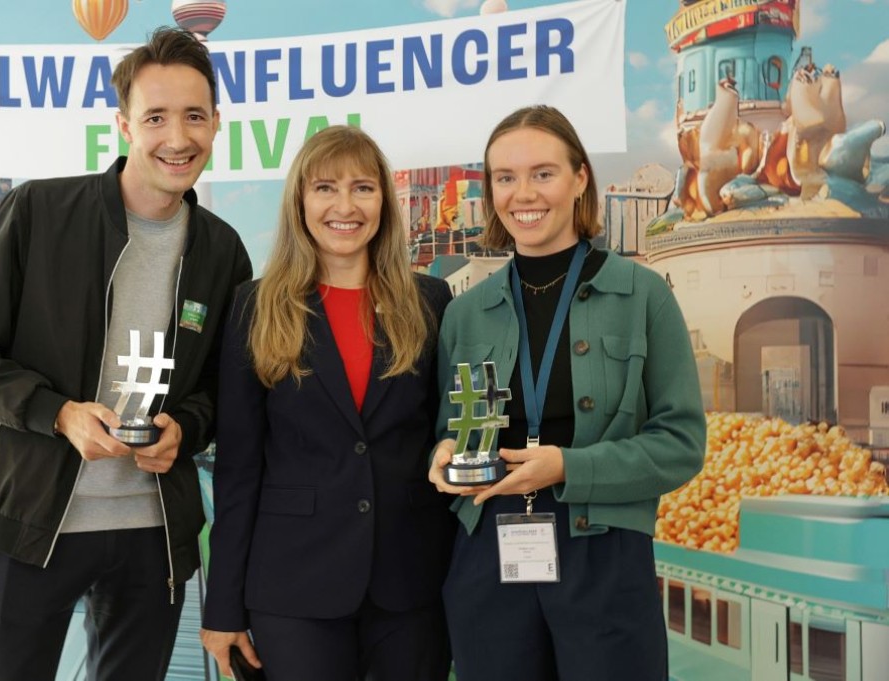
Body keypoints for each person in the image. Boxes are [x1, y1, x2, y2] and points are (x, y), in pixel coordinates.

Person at [0, 27, 252, 681]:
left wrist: (187, 427)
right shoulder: (38, 212)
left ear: (217, 124)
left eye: (194, 116)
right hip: (30, 522)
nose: (177, 138)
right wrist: (58, 413)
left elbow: (225, 387)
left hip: (151, 536)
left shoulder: (222, 251)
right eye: (155, 117)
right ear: (123, 124)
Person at [427, 105, 706, 680]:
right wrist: (442, 455)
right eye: (505, 177)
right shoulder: (465, 313)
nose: (523, 193)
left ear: (580, 178)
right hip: (488, 555)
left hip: (603, 557)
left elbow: (681, 443)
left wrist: (566, 468)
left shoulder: (643, 294)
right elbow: (451, 430)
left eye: (543, 173)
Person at [201, 125, 455, 680]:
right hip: (293, 586)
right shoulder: (255, 306)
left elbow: (444, 433)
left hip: (410, 581)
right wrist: (223, 607)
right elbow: (238, 468)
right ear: (299, 201)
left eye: (363, 188)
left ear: (384, 201)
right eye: (325, 188)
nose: (346, 206)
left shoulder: (430, 301)